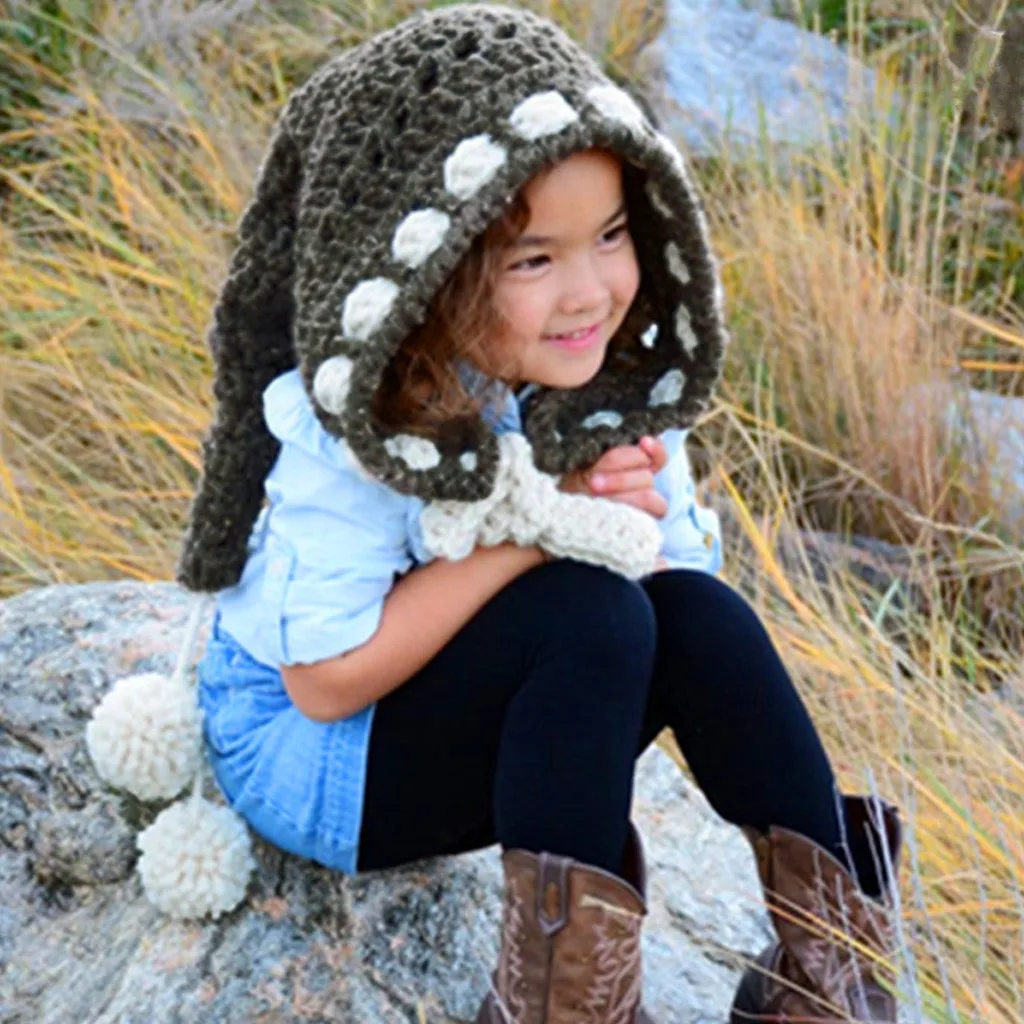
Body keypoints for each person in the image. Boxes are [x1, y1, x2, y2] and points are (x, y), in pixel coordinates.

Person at [176, 4, 905, 1020]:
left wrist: (622, 522)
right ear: (437, 271)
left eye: (611, 236)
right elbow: (323, 683)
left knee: (695, 614)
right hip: (321, 762)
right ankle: (564, 1010)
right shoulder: (367, 416)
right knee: (583, 610)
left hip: (479, 720)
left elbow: (666, 625)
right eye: (533, 259)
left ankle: (833, 975)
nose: (589, 292)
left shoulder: (605, 383)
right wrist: (538, 529)